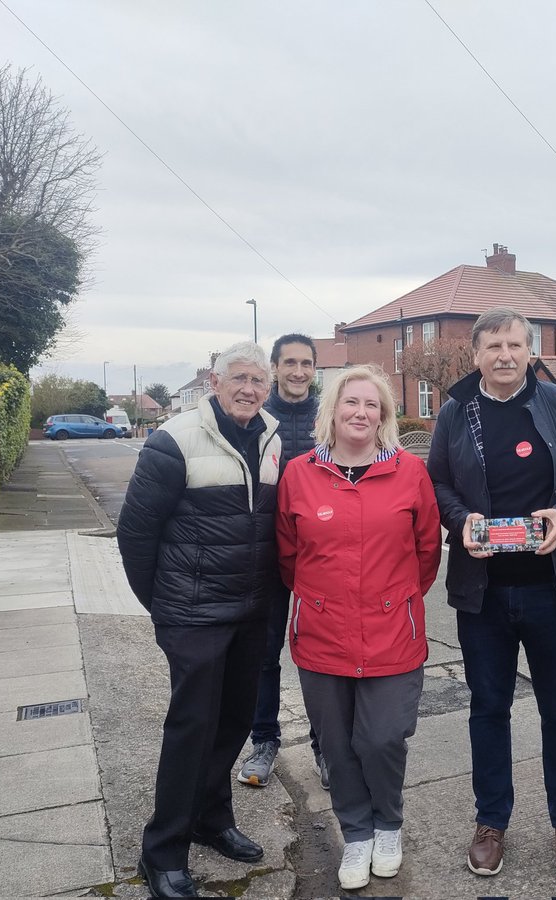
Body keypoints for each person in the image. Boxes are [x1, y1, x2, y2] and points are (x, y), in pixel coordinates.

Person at [427, 307, 556, 878]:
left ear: (530, 352)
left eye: (515, 345)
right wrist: (461, 523)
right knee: (488, 710)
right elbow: (436, 482)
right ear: (476, 355)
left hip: (551, 590)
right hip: (481, 594)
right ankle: (491, 822)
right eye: (494, 346)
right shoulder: (457, 412)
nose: (505, 355)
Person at [117, 341, 284, 898]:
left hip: (250, 610)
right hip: (192, 615)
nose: (249, 389)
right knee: (192, 728)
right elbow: (136, 533)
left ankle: (212, 819)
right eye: (239, 378)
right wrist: (162, 605)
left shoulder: (271, 437)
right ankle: (162, 850)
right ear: (215, 382)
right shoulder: (175, 440)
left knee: (235, 719)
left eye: (258, 381)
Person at [276, 364, 441, 891]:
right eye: (352, 403)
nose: (361, 413)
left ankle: (387, 824)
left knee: (382, 738)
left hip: (393, 630)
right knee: (337, 743)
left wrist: (395, 600)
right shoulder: (299, 473)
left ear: (384, 417)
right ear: (333, 410)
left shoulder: (409, 473)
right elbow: (287, 554)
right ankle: (357, 834)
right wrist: (320, 599)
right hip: (322, 634)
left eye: (372, 406)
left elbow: (427, 550)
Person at [237, 333, 331, 791]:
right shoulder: (257, 415)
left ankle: (325, 746)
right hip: (266, 555)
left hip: (322, 557)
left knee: (323, 659)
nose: (298, 372)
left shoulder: (330, 414)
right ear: (275, 367)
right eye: (289, 363)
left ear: (315, 369)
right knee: (264, 655)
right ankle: (264, 741)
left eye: (306, 364)